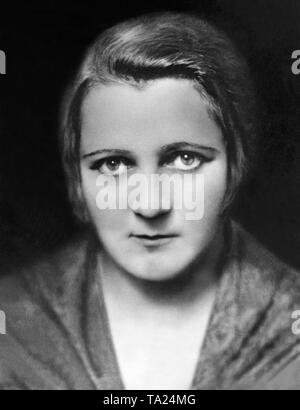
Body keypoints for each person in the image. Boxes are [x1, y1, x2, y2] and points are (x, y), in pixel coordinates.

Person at [0, 11, 300, 390]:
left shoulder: (291, 323)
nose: (150, 206)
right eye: (113, 164)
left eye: (184, 159)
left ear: (235, 165)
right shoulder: (14, 323)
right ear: (76, 177)